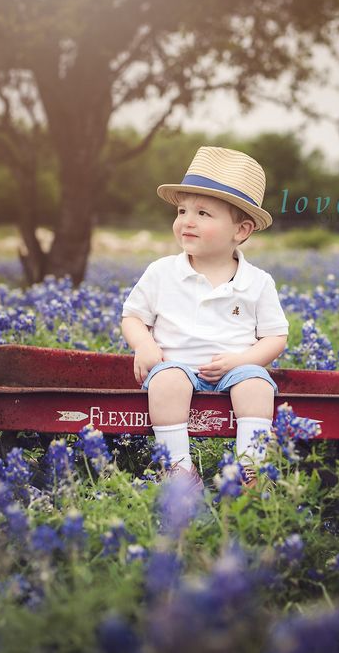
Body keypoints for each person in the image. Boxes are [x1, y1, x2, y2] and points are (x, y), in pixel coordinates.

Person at [121, 146, 288, 490]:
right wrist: (144, 343)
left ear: (241, 231)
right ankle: (178, 470)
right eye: (182, 211)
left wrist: (241, 360)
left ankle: (251, 470)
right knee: (165, 380)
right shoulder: (162, 272)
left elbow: (275, 338)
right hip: (175, 366)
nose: (187, 221)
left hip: (236, 370)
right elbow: (133, 317)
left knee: (257, 383)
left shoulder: (257, 282)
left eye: (203, 213)